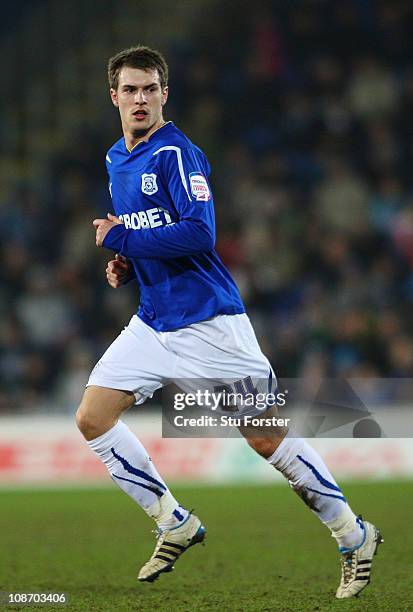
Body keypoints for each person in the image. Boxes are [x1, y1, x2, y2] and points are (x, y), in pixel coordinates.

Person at [76, 45, 383, 596]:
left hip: (211, 322)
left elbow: (199, 234)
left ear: (165, 94)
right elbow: (148, 226)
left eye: (150, 88)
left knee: (267, 441)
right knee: (93, 419)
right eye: (130, 89)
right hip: (154, 321)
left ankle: (352, 533)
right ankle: (174, 521)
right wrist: (127, 261)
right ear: (114, 96)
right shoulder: (114, 158)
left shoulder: (177, 153)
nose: (140, 99)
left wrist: (122, 238)